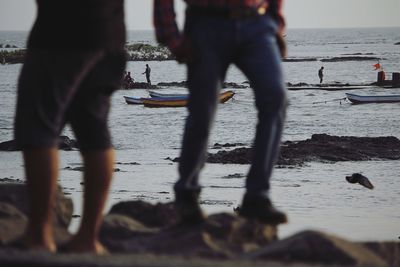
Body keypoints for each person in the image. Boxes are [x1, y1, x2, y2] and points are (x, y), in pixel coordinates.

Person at [154, 0, 288, 225]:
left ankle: (257, 197)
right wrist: (171, 36)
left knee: (276, 99)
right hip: (206, 23)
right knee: (202, 109)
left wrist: (275, 22)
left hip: (257, 21)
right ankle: (186, 194)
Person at [13, 0, 126, 254]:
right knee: (94, 129)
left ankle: (40, 234)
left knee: (38, 127)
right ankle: (88, 238)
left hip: (60, 30)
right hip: (111, 32)